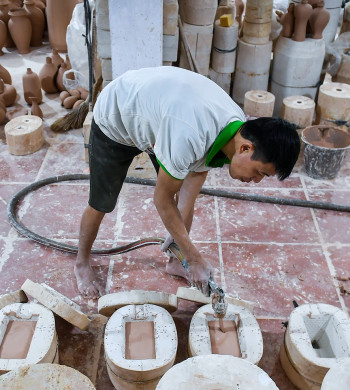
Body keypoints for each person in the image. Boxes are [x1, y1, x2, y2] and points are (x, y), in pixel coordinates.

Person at [75, 66, 301, 298]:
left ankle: (175, 263)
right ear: (245, 148)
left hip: (159, 118)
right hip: (117, 115)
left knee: (180, 196)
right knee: (102, 202)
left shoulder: (233, 129)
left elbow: (189, 189)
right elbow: (161, 200)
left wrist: (182, 246)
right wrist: (194, 258)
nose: (255, 181)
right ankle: (81, 263)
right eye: (260, 173)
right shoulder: (190, 135)